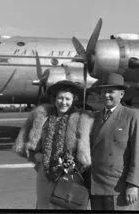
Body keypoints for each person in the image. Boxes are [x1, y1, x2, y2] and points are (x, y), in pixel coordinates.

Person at [13, 80, 94, 209]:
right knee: (45, 205)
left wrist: (74, 164)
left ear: (74, 100)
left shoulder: (83, 119)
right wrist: (35, 156)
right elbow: (23, 144)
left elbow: (90, 150)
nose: (63, 102)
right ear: (54, 99)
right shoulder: (41, 117)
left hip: (71, 175)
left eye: (67, 99)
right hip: (45, 174)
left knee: (68, 206)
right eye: (60, 98)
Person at [89, 72, 139, 210]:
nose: (106, 95)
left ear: (121, 94)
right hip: (96, 185)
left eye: (110, 92)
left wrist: (133, 184)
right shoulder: (95, 117)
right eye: (103, 91)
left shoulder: (131, 115)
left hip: (118, 187)